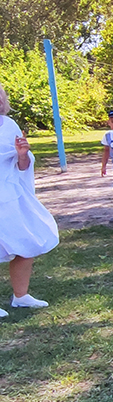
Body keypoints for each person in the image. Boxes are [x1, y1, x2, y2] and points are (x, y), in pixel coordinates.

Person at [0, 83, 59, 316]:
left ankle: (21, 296)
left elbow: (22, 164)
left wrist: (23, 154)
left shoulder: (9, 125)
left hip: (11, 193)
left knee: (28, 240)